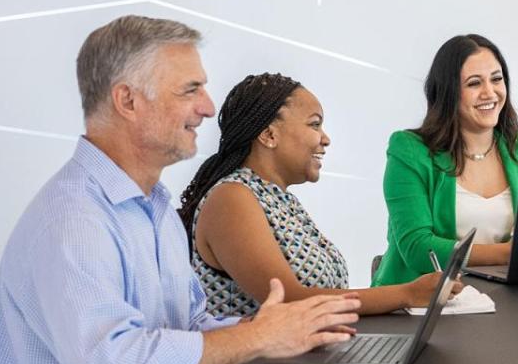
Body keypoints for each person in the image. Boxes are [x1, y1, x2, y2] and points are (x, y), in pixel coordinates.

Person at [0, 16, 361, 364]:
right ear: (128, 100)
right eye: (190, 90)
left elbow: (187, 326)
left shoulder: (155, 209)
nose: (207, 107)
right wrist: (258, 339)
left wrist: (270, 328)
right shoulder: (73, 222)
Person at [178, 73, 462, 316]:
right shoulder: (231, 199)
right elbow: (288, 301)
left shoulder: (278, 199)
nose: (325, 138)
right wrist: (407, 293)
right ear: (269, 135)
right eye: (314, 124)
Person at [372, 34, 518, 286]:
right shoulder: (409, 150)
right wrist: (509, 252)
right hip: (422, 305)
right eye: (474, 84)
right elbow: (418, 249)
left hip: (508, 302)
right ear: (448, 92)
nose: (490, 92)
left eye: (497, 79)